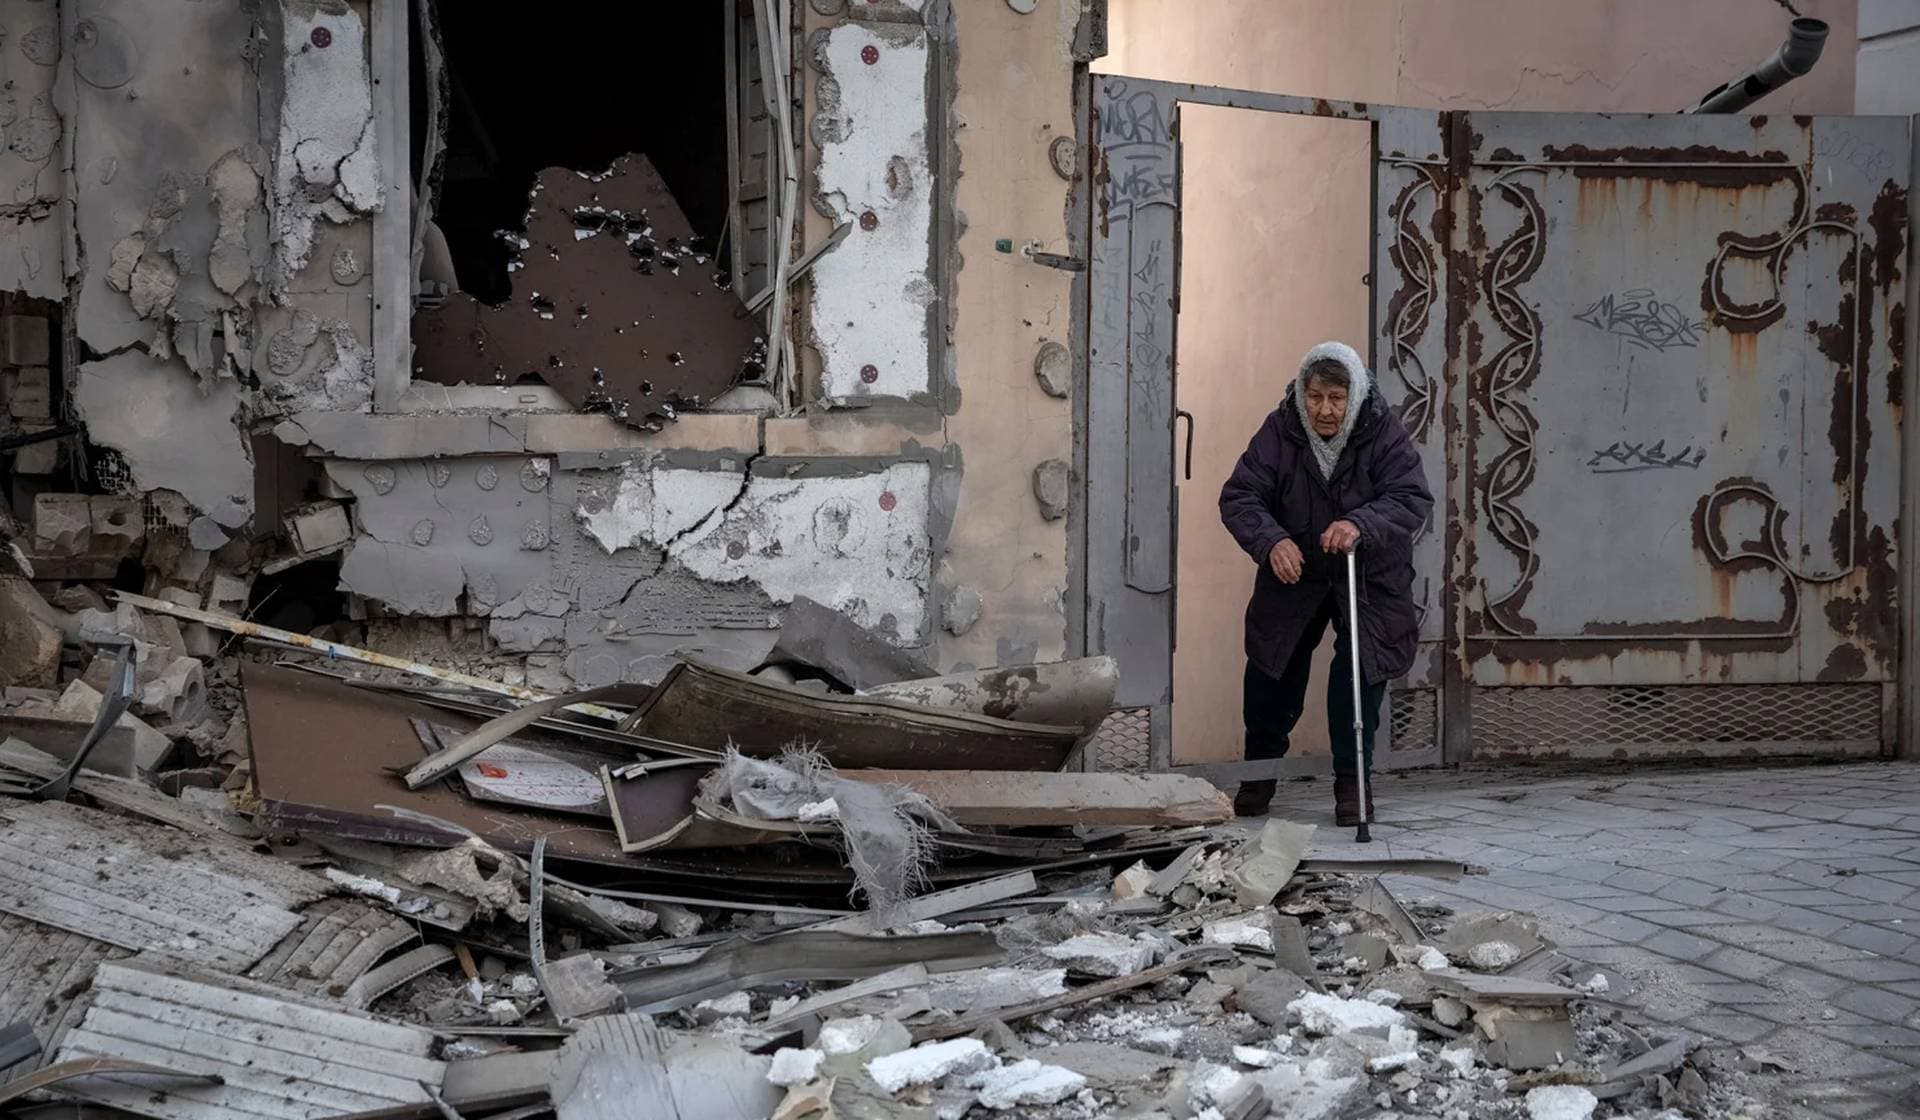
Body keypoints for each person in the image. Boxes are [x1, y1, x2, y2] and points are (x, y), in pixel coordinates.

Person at [1218, 340, 1432, 821]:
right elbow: (1241, 495)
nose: (1325, 410)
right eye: (1315, 397)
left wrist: (1361, 523)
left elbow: (1410, 495)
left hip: (1368, 571)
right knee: (1272, 668)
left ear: (1354, 395)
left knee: (1357, 670)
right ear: (1301, 393)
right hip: (1295, 567)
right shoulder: (1280, 429)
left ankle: (1352, 784)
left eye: (1336, 398)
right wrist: (1272, 541)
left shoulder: (1382, 431)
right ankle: (1259, 775)